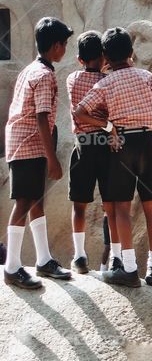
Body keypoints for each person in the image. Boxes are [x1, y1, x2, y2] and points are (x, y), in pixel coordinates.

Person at [74, 26, 152, 288]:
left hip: (122, 143)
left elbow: (80, 112)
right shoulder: (146, 76)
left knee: (121, 208)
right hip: (148, 141)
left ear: (105, 56)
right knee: (151, 206)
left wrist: (107, 127)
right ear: (132, 52)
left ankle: (128, 268)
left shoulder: (105, 83)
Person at [4, 17, 76, 289]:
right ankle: (12, 268)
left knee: (35, 201)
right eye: (65, 44)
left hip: (21, 143)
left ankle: (44, 259)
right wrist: (52, 158)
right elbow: (41, 117)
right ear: (56, 45)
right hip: (29, 145)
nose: (65, 49)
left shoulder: (30, 70)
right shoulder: (44, 75)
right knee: (23, 202)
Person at [66, 30, 115, 275]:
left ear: (79, 59)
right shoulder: (108, 82)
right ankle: (116, 256)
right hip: (105, 145)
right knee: (111, 203)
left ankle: (79, 256)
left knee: (79, 204)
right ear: (104, 56)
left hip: (82, 144)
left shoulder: (72, 79)